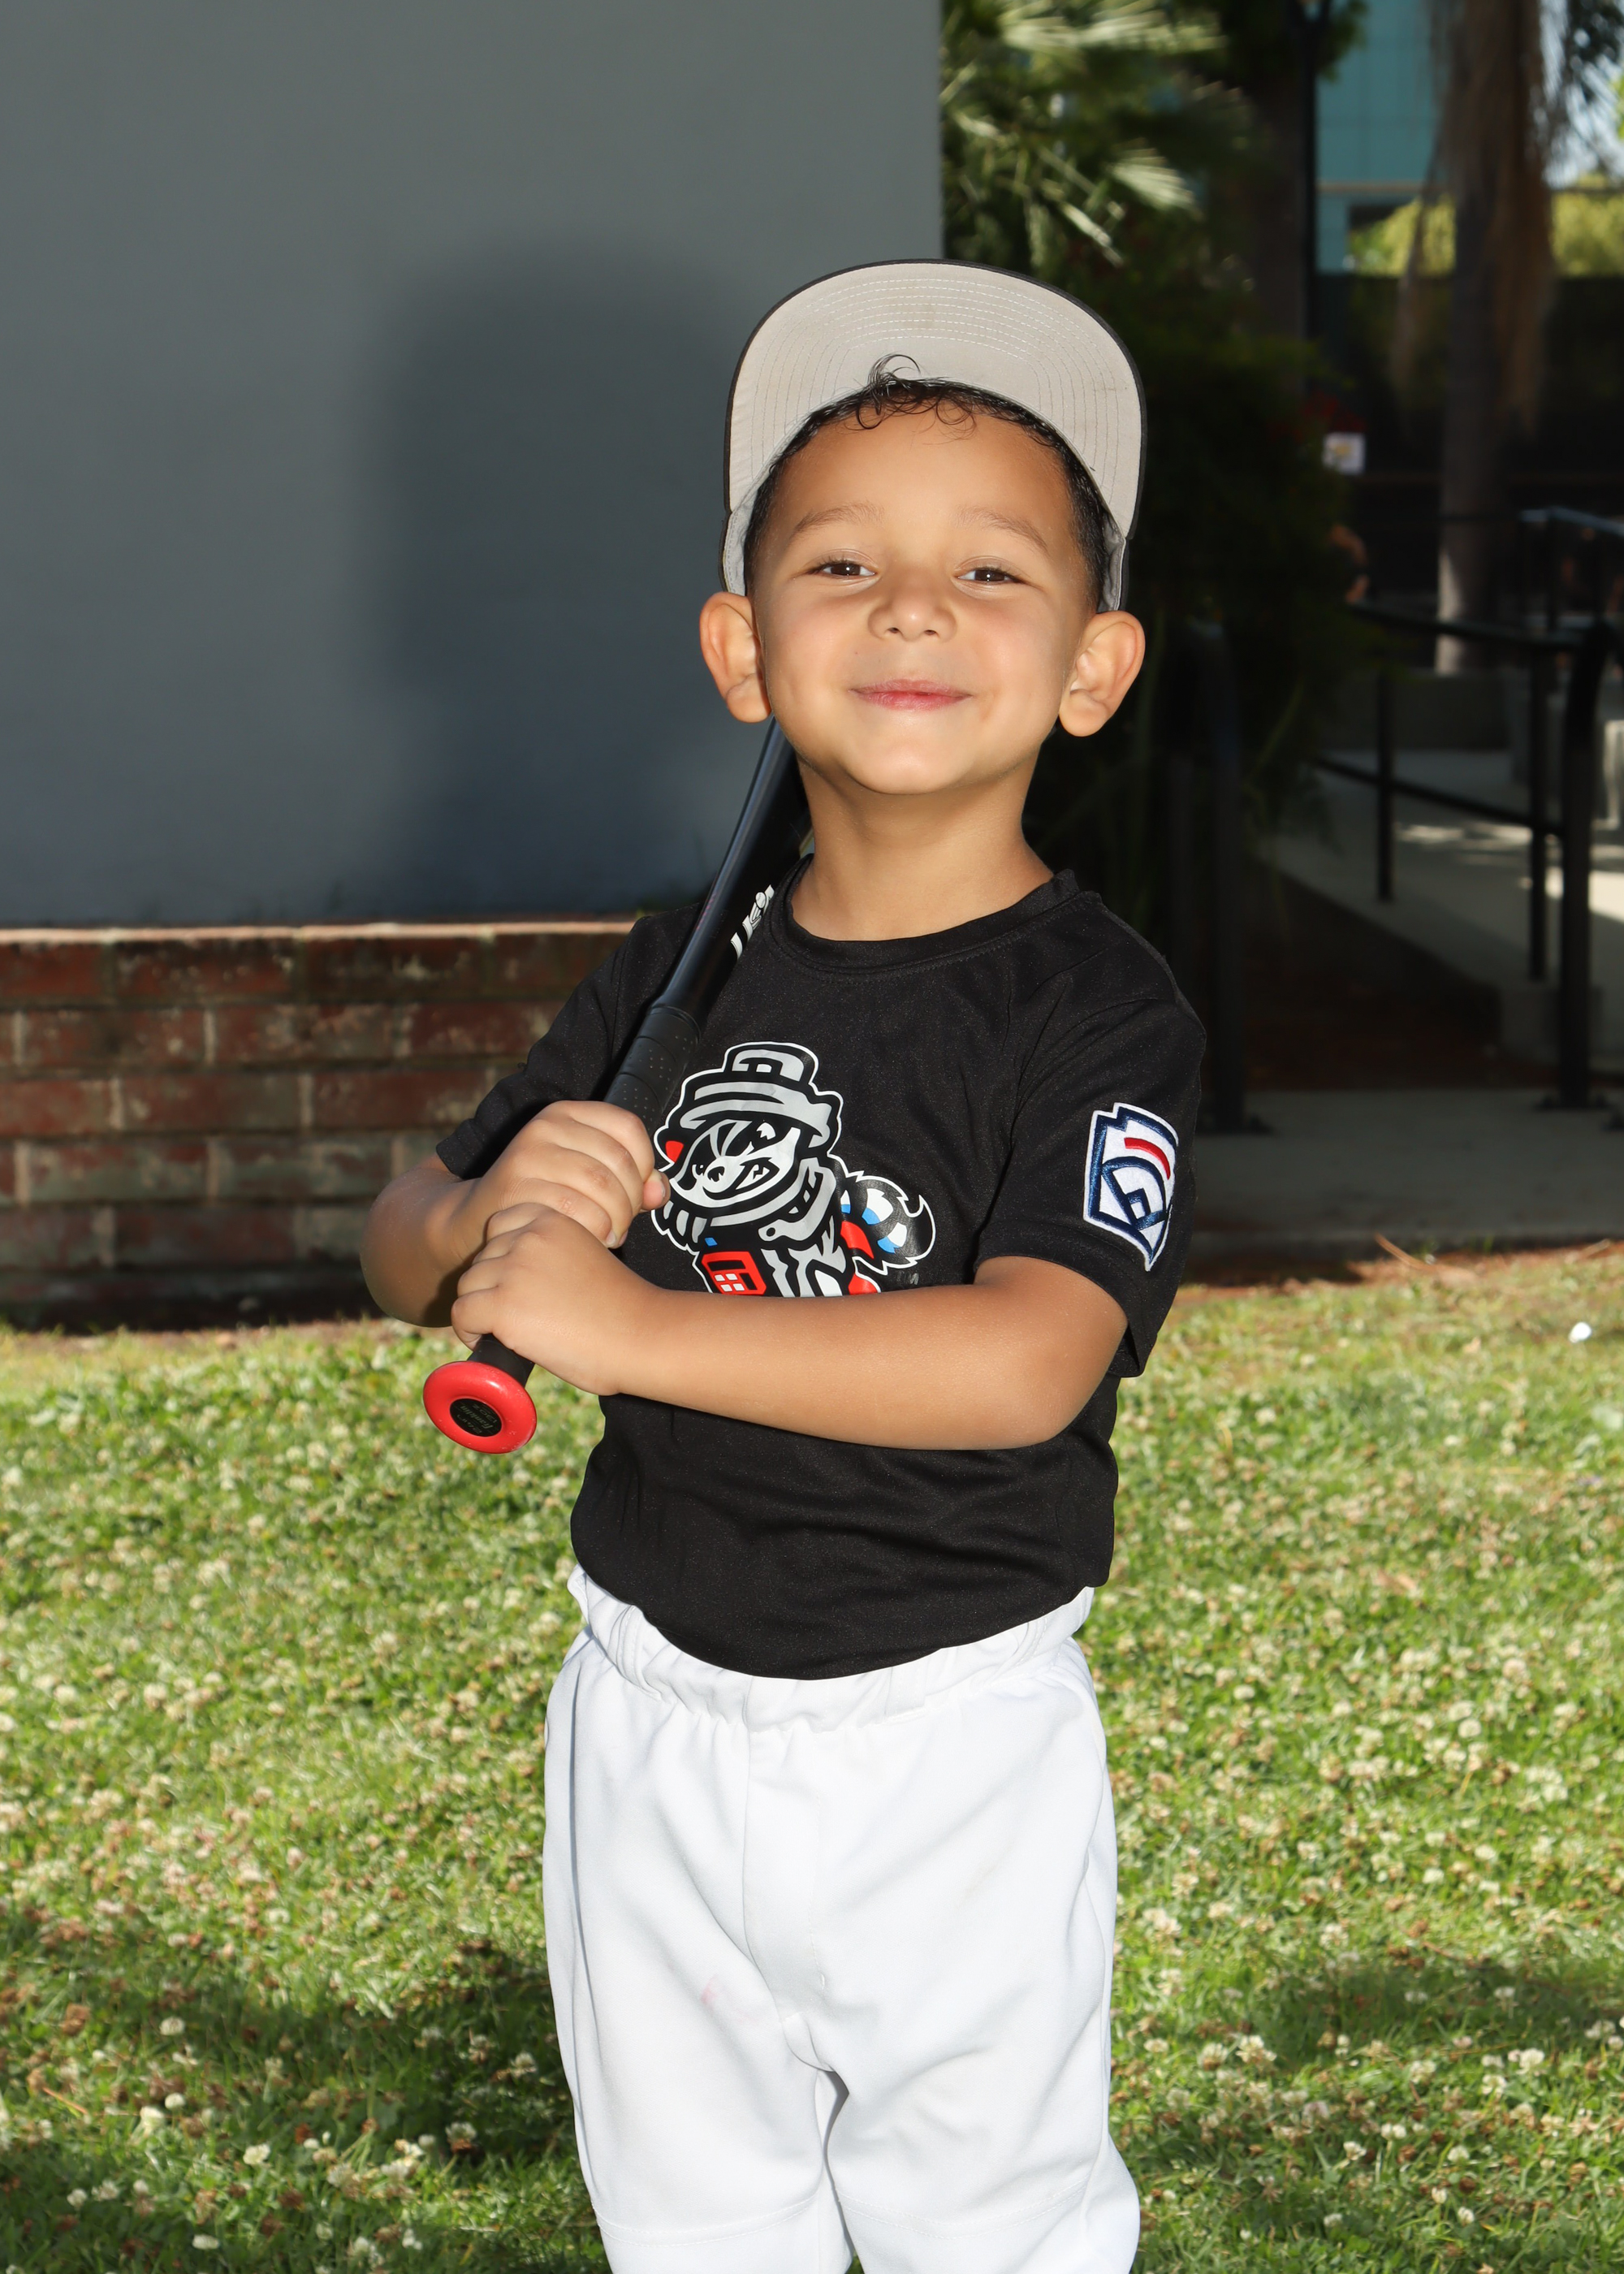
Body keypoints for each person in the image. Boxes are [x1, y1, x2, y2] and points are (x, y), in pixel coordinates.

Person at [362, 261, 1205, 2274]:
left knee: (983, 2222)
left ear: (1093, 667)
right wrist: (477, 1225)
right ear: (744, 650)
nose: (911, 608)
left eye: (990, 571)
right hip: (649, 1710)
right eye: (841, 562)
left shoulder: (1097, 1012)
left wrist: (633, 1324)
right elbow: (399, 1231)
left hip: (942, 1736)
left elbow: (1023, 1360)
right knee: (692, 2218)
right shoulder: (680, 967)